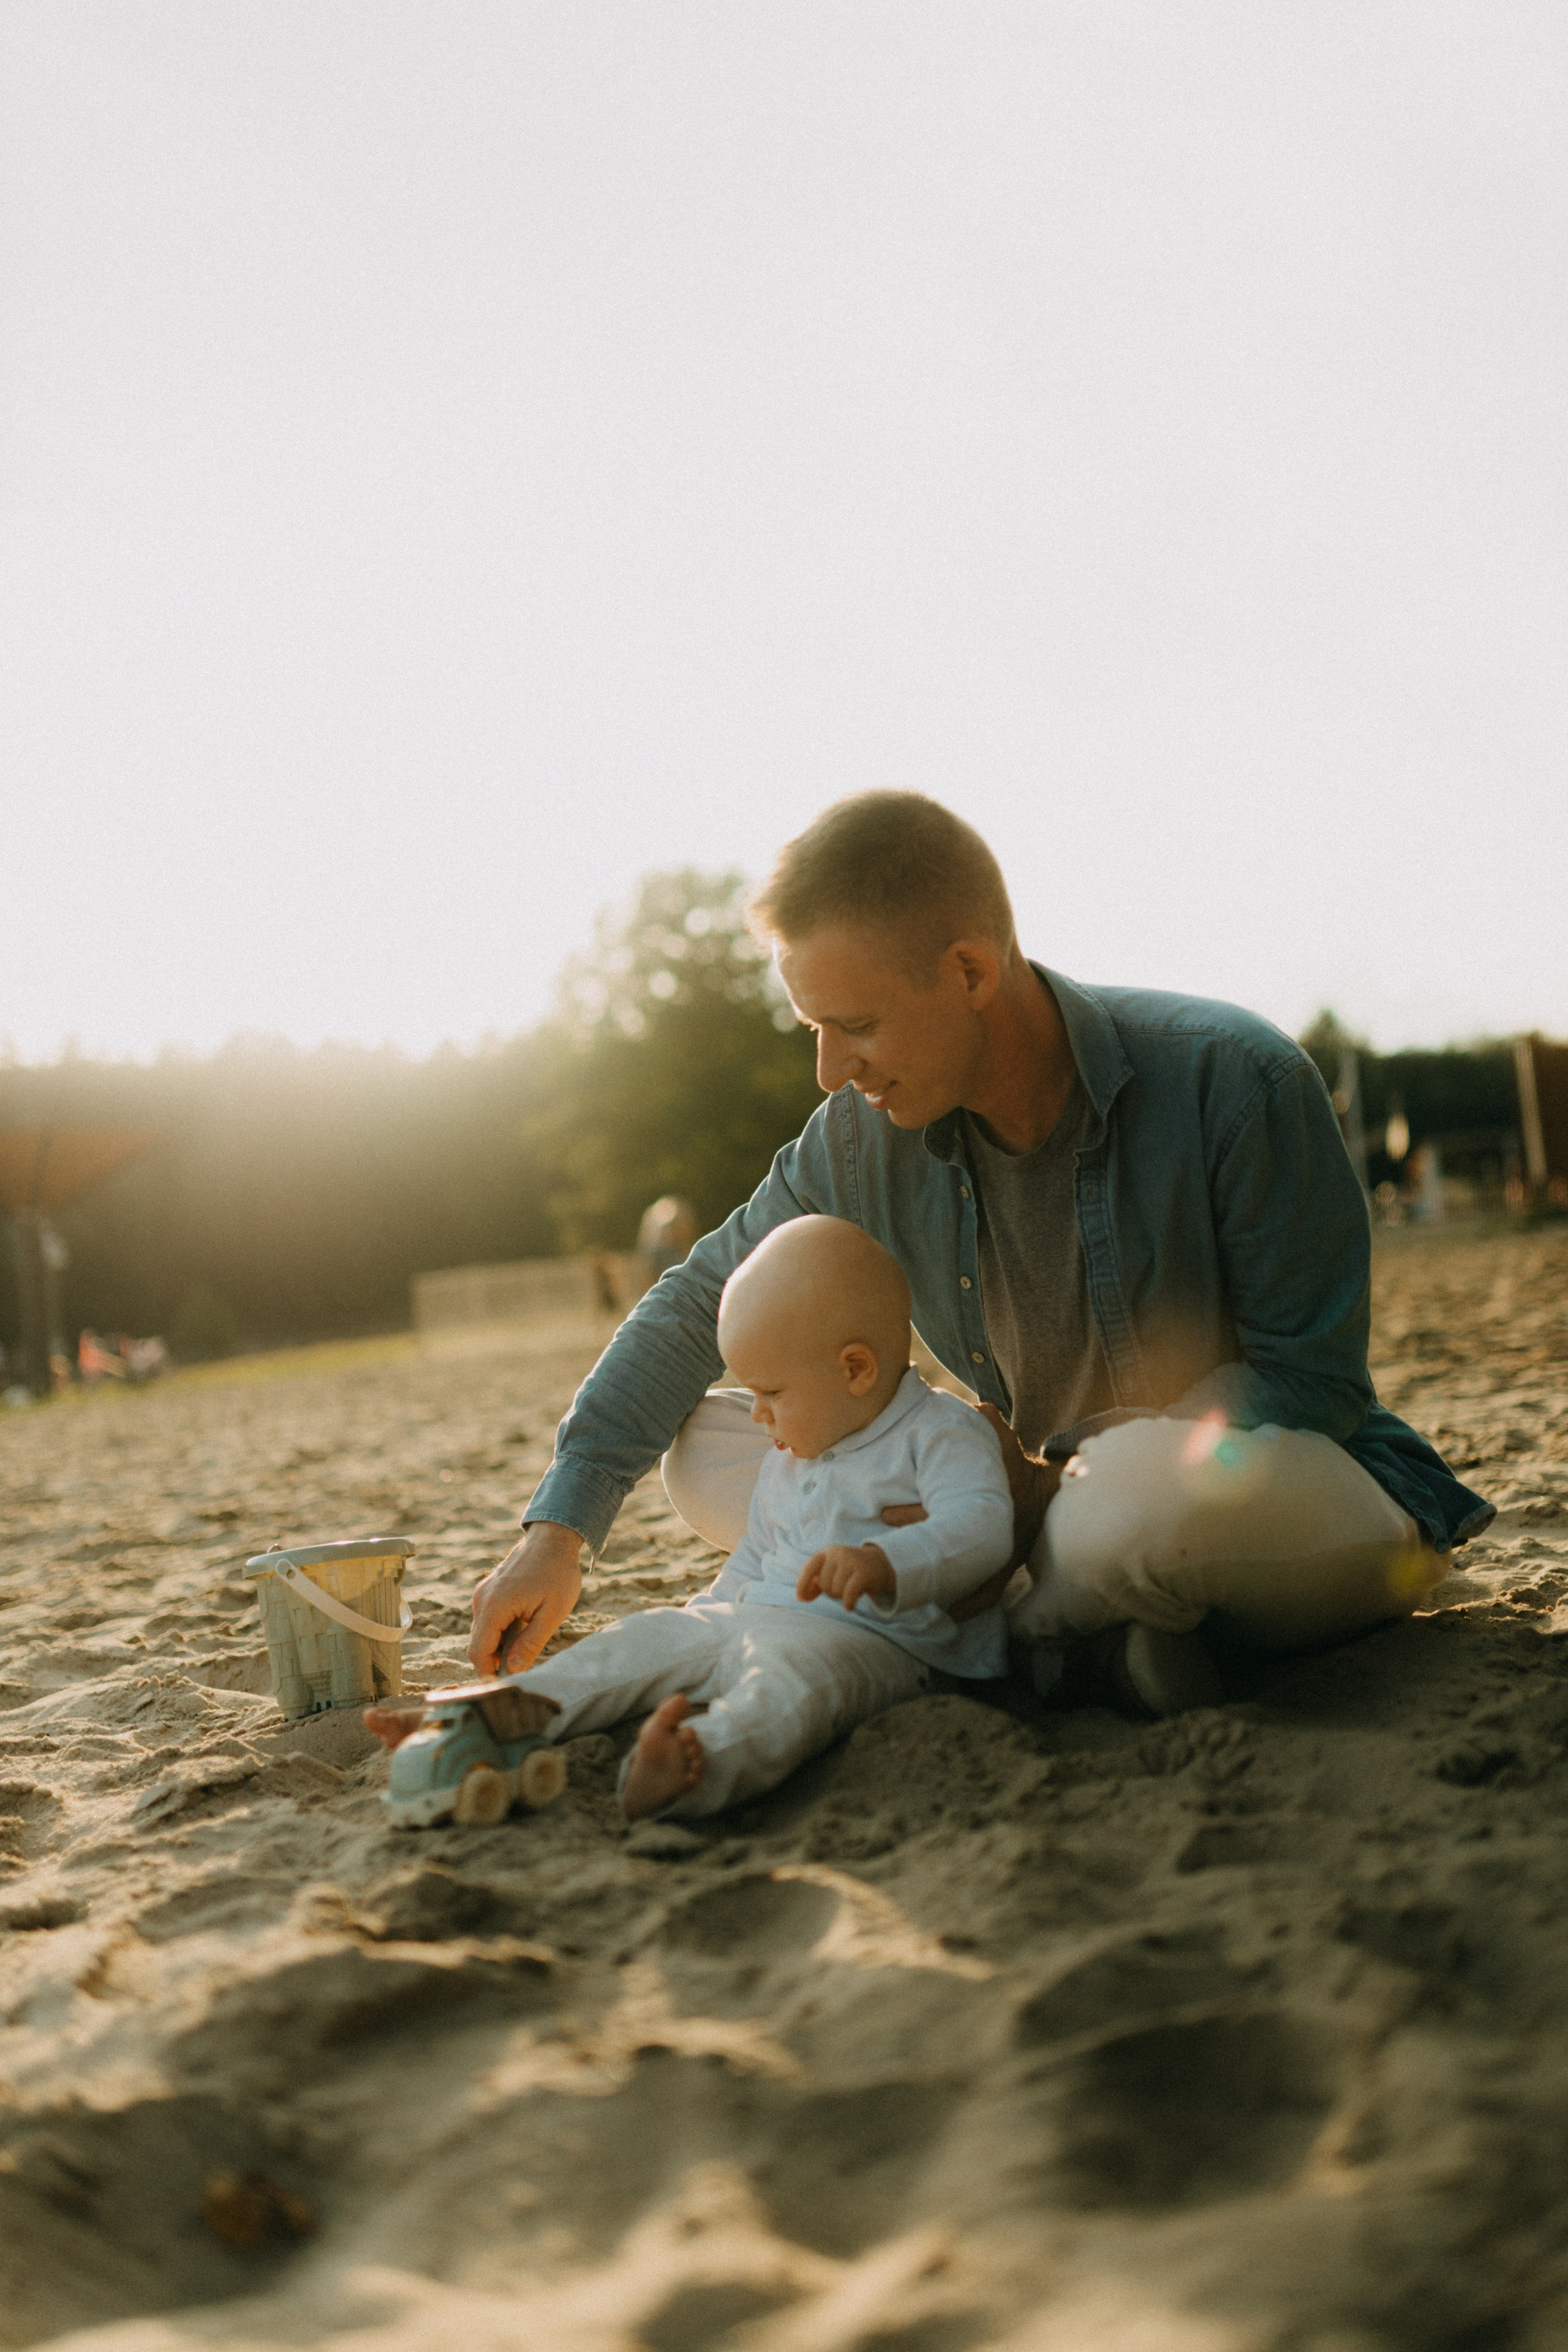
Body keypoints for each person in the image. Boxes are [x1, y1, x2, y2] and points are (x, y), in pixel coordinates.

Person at [374, 791, 1493, 1744]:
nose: (827, 1069)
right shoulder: (862, 1136)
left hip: (1276, 1503)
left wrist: (1055, 1480)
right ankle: (1093, 1638)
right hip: (1022, 1508)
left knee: (1133, 1511)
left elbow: (1312, 1384)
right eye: (812, 1026)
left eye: (853, 1023)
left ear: (968, 969)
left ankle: (1023, 1623)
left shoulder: (1234, 1080)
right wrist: (556, 1535)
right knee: (716, 1445)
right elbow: (692, 1305)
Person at [388, 1216, 1015, 1821]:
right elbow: (758, 1550)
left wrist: (886, 1563)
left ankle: (697, 1766)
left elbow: (983, 1526)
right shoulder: (795, 1448)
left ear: (855, 1369)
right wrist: (709, 1613)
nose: (756, 1415)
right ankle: (503, 1712)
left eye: (771, 1393)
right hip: (756, 1613)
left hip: (877, 1641)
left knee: (788, 1690)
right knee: (642, 1641)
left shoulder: (938, 1431)